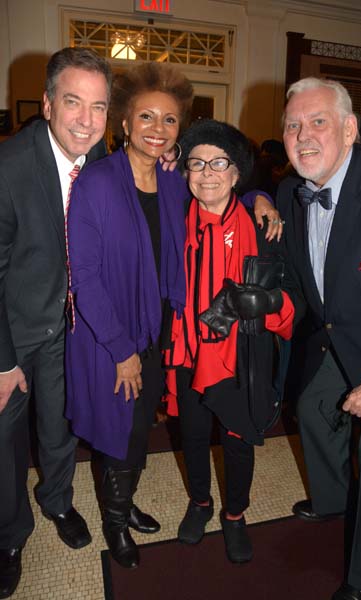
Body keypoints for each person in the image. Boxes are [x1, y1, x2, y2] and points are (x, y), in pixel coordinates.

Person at [64, 63, 279, 570]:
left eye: (169, 120)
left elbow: (221, 191)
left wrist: (261, 197)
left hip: (162, 330)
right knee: (120, 427)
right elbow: (85, 278)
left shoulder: (174, 184)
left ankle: (126, 503)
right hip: (112, 334)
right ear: (124, 122)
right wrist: (122, 352)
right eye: (146, 117)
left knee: (139, 427)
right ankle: (115, 525)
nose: (157, 128)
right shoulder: (96, 183)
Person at [277, 76, 361, 600]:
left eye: (317, 122)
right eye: (292, 125)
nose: (303, 135)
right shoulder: (289, 191)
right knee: (310, 405)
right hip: (339, 337)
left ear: (350, 130)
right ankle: (332, 499)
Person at [163, 118, 301, 564]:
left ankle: (235, 514)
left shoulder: (264, 228)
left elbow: (294, 301)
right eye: (197, 163)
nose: (206, 172)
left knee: (238, 440)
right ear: (186, 173)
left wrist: (269, 303)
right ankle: (200, 502)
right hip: (186, 348)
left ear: (237, 172)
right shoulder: (172, 223)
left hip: (240, 354)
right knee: (194, 433)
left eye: (218, 162)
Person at [0, 47, 112, 598]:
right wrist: (1, 363)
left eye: (98, 106)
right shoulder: (8, 166)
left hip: (72, 328)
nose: (86, 121)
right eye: (73, 103)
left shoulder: (103, 161)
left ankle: (59, 502)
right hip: (15, 332)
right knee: (3, 439)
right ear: (47, 104)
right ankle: (9, 535)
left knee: (62, 426)